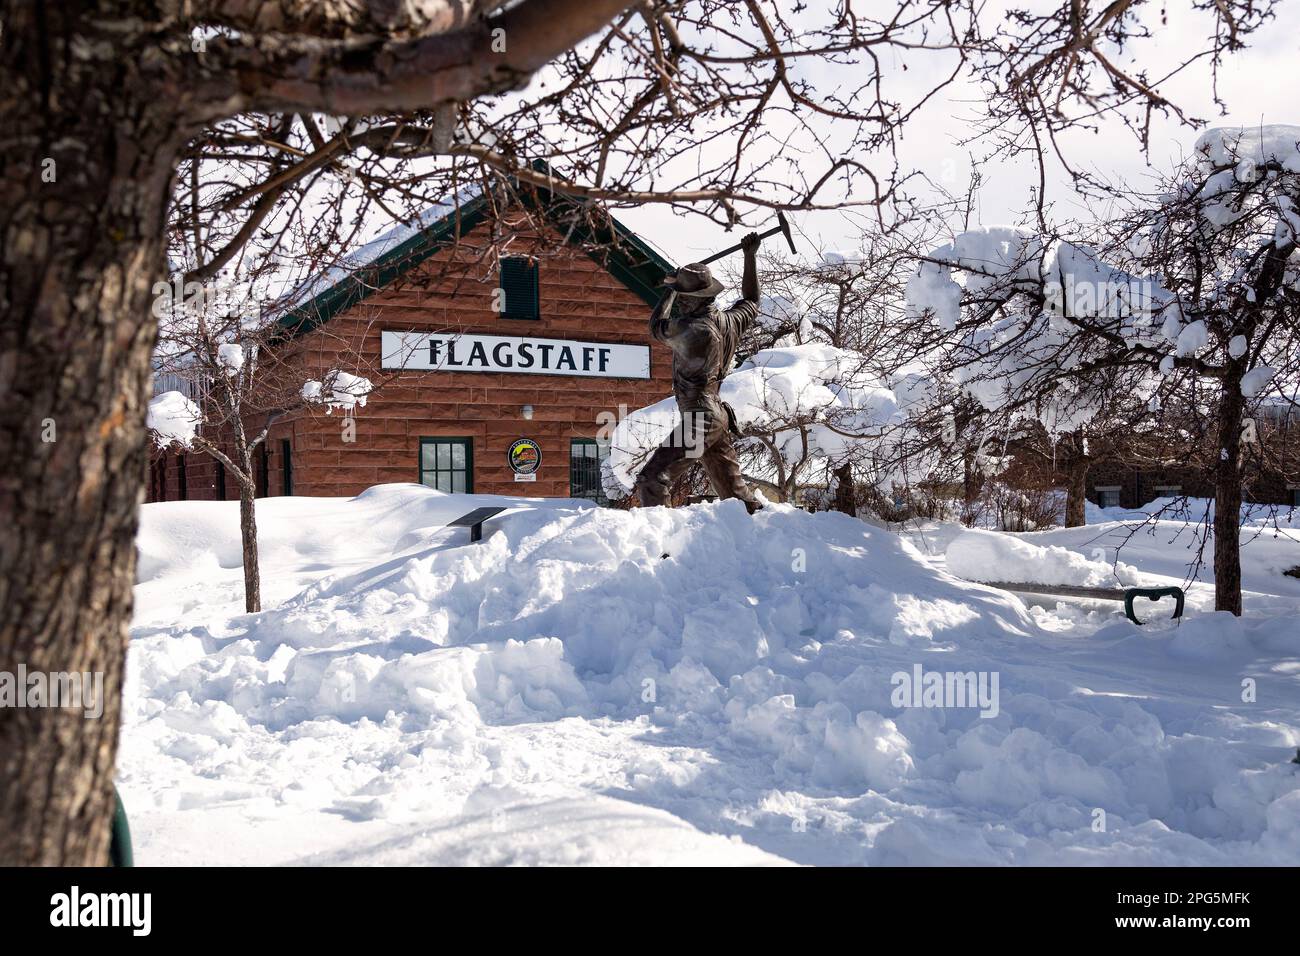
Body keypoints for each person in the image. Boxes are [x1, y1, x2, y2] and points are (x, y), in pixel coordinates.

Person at [634, 231, 763, 513]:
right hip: (713, 414)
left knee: (652, 480)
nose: (681, 303)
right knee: (737, 497)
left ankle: (660, 549)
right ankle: (766, 535)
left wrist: (669, 289)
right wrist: (749, 257)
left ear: (694, 299)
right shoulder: (729, 321)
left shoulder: (694, 330)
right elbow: (752, 299)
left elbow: (657, 326)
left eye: (683, 298)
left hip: (700, 417)